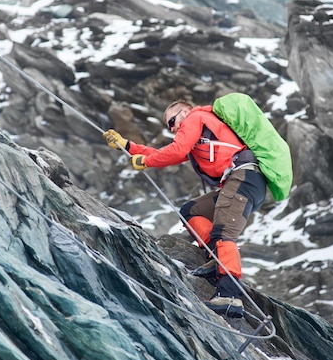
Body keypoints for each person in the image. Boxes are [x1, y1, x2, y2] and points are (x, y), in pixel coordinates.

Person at [103, 99, 267, 318]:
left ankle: (230, 296)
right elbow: (170, 151)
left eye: (172, 121)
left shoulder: (195, 117)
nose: (172, 128)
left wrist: (145, 162)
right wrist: (128, 147)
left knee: (224, 233)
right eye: (168, 126)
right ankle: (215, 258)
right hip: (243, 181)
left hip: (243, 178)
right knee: (191, 211)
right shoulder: (199, 134)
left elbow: (175, 149)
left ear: (185, 111)